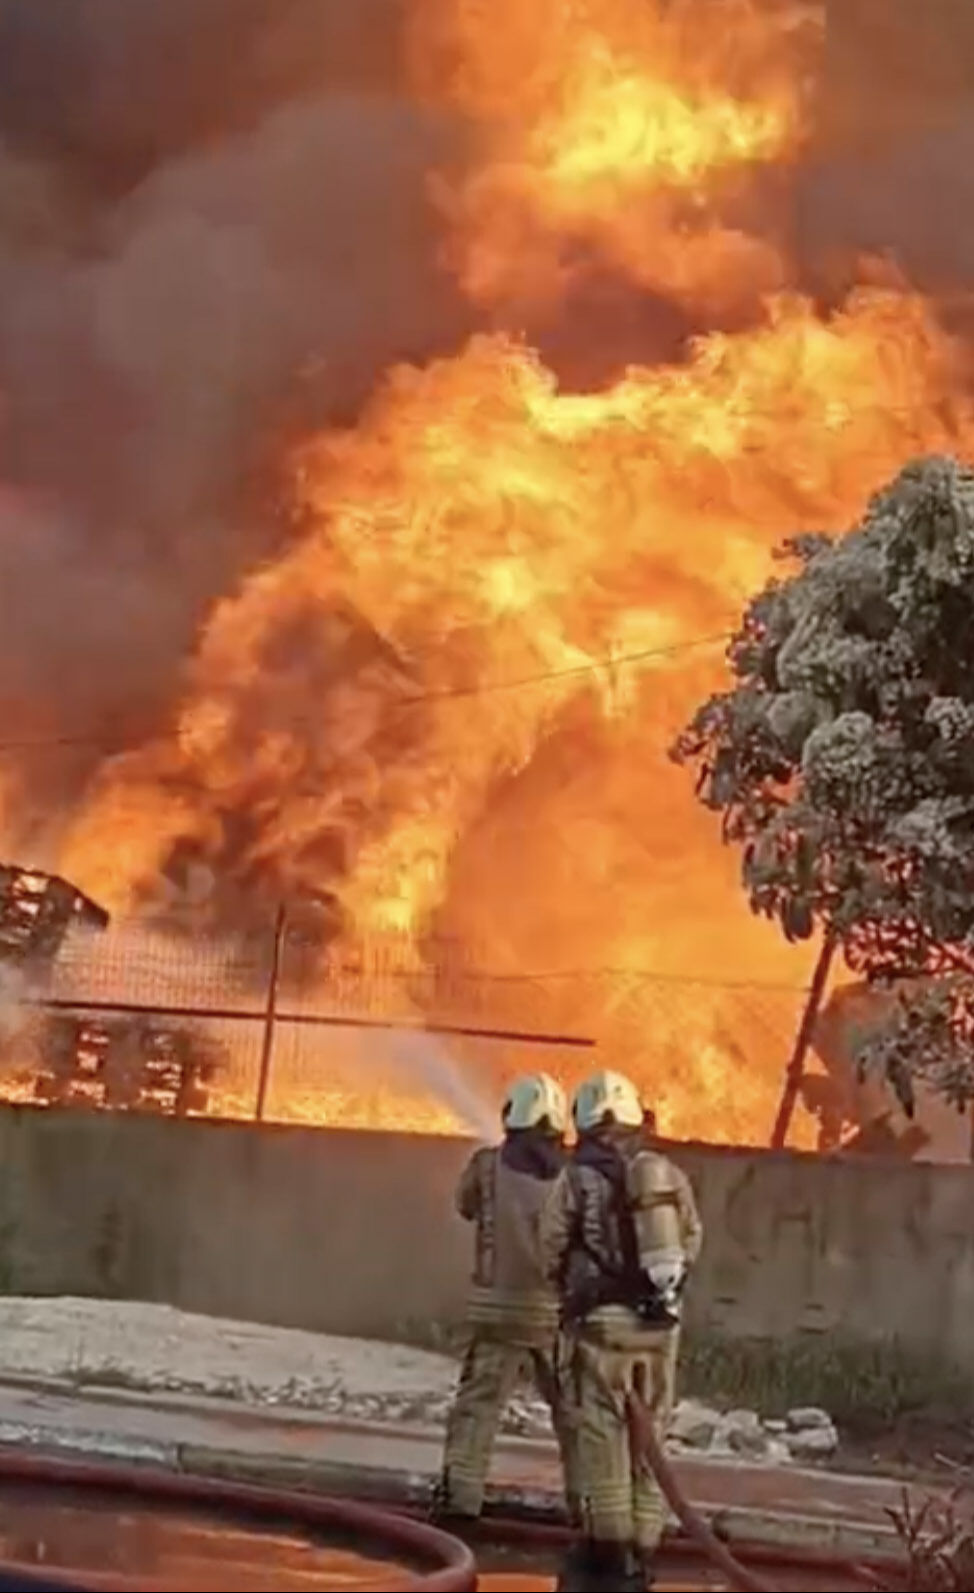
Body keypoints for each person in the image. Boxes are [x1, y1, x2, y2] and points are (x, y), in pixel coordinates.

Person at [541, 1070, 703, 1593]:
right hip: (659, 1328)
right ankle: (644, 1551)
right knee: (650, 1437)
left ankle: (609, 1557)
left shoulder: (576, 1179)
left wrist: (571, 1290)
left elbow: (550, 1244)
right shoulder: (667, 1175)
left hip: (602, 1328)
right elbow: (691, 1239)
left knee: (603, 1437)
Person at [432, 1071, 574, 1529]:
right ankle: (593, 1505)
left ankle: (460, 1499)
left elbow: (464, 1205)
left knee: (478, 1409)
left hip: (496, 1313)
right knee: (576, 1414)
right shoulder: (574, 1177)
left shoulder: (487, 1165)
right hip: (554, 1315)